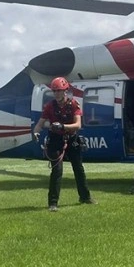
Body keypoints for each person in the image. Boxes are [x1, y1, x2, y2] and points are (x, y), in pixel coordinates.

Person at [32, 77, 96, 212]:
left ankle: (85, 197)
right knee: (57, 171)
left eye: (59, 91)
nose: (56, 94)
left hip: (71, 138)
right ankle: (53, 203)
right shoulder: (50, 106)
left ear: (66, 91)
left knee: (78, 169)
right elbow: (40, 123)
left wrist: (62, 126)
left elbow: (78, 125)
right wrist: (36, 132)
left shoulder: (74, 104)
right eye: (54, 91)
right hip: (55, 140)